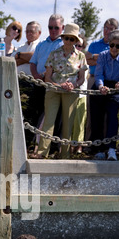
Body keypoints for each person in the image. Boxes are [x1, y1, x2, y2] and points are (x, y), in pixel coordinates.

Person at [35, 23, 87, 159]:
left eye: (72, 39)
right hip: (53, 90)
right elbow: (47, 76)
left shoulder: (81, 56)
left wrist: (73, 85)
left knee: (68, 124)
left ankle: (65, 154)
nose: (69, 41)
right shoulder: (54, 54)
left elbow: (82, 78)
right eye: (66, 38)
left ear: (76, 41)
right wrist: (57, 85)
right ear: (63, 38)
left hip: (71, 92)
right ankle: (42, 153)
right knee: (49, 122)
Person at [90, 30, 119, 161]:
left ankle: (111, 149)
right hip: (101, 86)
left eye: (118, 46)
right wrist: (100, 86)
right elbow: (98, 74)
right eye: (112, 45)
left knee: (112, 117)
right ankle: (98, 149)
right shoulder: (103, 55)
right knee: (96, 117)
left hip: (116, 87)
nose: (114, 48)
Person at [28, 15, 64, 153]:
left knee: (55, 117)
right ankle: (31, 145)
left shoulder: (63, 45)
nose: (53, 30)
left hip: (54, 84)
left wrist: (45, 75)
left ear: (62, 28)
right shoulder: (42, 44)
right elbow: (33, 63)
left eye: (56, 27)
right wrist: (37, 75)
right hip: (38, 84)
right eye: (50, 27)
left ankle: (54, 149)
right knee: (34, 114)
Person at [85, 18, 119, 141]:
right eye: (106, 28)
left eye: (111, 29)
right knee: (91, 114)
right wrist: (100, 59)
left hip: (108, 81)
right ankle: (90, 143)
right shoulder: (94, 44)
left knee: (107, 115)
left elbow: (111, 61)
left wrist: (95, 57)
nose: (107, 31)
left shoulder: (115, 46)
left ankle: (104, 144)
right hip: (93, 79)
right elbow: (87, 61)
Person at [72, 35, 88, 155]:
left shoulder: (83, 59)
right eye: (76, 45)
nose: (77, 47)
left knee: (80, 121)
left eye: (80, 46)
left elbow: (83, 77)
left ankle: (79, 146)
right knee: (69, 121)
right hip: (69, 94)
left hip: (81, 94)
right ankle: (68, 146)